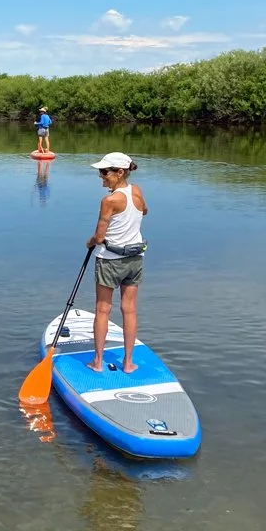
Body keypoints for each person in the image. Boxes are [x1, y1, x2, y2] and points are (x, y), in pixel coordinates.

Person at [86, 152, 148, 374]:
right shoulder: (136, 191)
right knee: (129, 309)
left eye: (105, 172)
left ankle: (98, 362)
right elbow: (145, 211)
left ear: (120, 172)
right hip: (135, 259)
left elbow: (99, 237)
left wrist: (89, 242)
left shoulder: (109, 201)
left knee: (103, 309)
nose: (101, 176)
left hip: (110, 261)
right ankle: (128, 363)